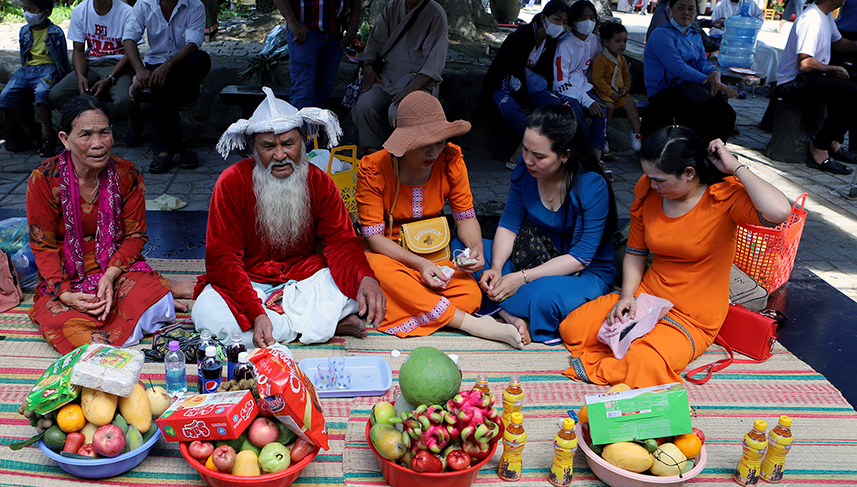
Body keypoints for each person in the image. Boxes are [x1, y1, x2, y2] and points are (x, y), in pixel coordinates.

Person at [560, 125, 791, 389]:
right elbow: (636, 252)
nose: (651, 183)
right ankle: (628, 351)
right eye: (648, 175)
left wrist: (736, 167)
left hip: (693, 316)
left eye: (659, 179)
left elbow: (780, 211)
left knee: (645, 360)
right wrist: (626, 298)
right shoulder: (648, 189)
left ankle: (631, 356)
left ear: (689, 173)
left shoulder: (724, 196)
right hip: (647, 297)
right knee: (574, 327)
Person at [192, 88, 385, 349]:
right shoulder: (231, 183)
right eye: (268, 146)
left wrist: (364, 278)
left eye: (289, 143)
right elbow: (223, 259)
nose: (280, 155)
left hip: (304, 281)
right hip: (249, 282)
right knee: (207, 312)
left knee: (360, 288)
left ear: (303, 140)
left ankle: (291, 327)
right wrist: (255, 312)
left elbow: (341, 243)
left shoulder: (320, 183)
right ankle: (322, 326)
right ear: (252, 146)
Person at [356, 91, 524, 349]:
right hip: (390, 259)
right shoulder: (374, 168)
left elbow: (465, 216)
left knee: (470, 297)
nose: (434, 151)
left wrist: (475, 249)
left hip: (434, 253)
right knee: (371, 264)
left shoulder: (451, 160)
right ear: (404, 141)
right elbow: (374, 238)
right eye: (425, 143)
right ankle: (472, 325)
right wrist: (418, 264)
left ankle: (420, 305)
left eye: (440, 141)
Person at [26, 96, 190, 354]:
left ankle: (154, 296)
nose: (98, 144)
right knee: (67, 327)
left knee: (154, 298)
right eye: (86, 135)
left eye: (104, 133)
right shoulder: (44, 180)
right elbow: (42, 245)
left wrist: (110, 276)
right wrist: (65, 294)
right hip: (66, 274)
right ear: (64, 139)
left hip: (115, 267)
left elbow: (135, 235)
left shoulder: (128, 174)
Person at [476, 104, 617, 346]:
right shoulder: (524, 170)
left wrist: (520, 278)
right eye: (525, 149)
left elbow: (580, 258)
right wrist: (497, 268)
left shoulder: (590, 186)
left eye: (539, 156)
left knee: (545, 300)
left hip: (579, 273)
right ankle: (510, 315)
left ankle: (495, 305)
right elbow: (509, 223)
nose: (528, 160)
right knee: (468, 255)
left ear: (565, 154)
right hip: (533, 258)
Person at [124, 0, 211, 174]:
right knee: (163, 89)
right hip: (154, 69)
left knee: (201, 59)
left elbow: (193, 44)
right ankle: (174, 149)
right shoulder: (144, 4)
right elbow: (129, 38)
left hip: (181, 68)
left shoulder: (195, 7)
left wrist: (167, 66)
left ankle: (164, 151)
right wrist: (139, 70)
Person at [353, 0, 448, 155]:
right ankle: (372, 153)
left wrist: (410, 89)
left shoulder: (435, 14)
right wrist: (368, 67)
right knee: (364, 105)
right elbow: (374, 43)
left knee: (398, 112)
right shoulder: (393, 6)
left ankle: (403, 156)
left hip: (417, 82)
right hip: (388, 77)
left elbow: (434, 65)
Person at [775, 0, 857, 175]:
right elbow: (805, 63)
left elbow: (839, 44)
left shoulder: (826, 15)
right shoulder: (811, 19)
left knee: (853, 84)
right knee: (851, 93)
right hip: (793, 83)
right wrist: (832, 69)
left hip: (810, 77)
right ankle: (819, 147)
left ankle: (832, 142)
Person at [267, 0, 361, 111]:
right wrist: (292, 20)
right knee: (303, 93)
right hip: (306, 32)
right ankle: (300, 138)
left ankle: (316, 136)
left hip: (335, 33)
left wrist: (354, 20)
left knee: (325, 93)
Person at [49, 0, 137, 145]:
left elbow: (130, 53)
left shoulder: (127, 13)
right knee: (57, 94)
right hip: (91, 64)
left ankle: (135, 125)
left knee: (124, 99)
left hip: (118, 65)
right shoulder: (81, 10)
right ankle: (80, 126)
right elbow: (79, 50)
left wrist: (110, 79)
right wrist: (81, 76)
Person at [481, 0, 569, 166]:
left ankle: (525, 149)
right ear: (544, 17)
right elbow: (513, 72)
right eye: (557, 19)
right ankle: (537, 145)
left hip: (532, 87)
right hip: (504, 83)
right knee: (510, 108)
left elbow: (547, 74)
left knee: (556, 106)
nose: (561, 25)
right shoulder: (521, 36)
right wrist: (525, 103)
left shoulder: (551, 41)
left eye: (564, 22)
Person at [644, 0, 738, 143]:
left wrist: (714, 73)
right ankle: (699, 154)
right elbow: (679, 69)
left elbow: (702, 62)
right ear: (670, 10)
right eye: (681, 8)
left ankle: (715, 153)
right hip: (665, 90)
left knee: (727, 113)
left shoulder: (694, 35)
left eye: (691, 9)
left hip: (690, 87)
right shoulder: (661, 34)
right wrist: (714, 83)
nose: (686, 12)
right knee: (705, 114)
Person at [0, 0, 69, 156]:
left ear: (45, 13)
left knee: (42, 92)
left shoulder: (55, 33)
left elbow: (62, 58)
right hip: (27, 70)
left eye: (31, 10)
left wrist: (63, 77)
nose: (27, 14)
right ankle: (29, 132)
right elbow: (25, 56)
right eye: (24, 9)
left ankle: (48, 134)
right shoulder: (24, 31)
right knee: (6, 95)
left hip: (48, 69)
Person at [552, 0, 609, 169]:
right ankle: (580, 154)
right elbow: (559, 82)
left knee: (602, 110)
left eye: (592, 17)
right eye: (583, 17)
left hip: (585, 88)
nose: (588, 22)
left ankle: (596, 157)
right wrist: (587, 101)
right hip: (565, 91)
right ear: (574, 20)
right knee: (575, 111)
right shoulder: (564, 44)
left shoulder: (595, 41)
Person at [709, 0, 781, 92]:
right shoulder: (721, 5)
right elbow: (714, 29)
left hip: (748, 41)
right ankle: (741, 84)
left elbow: (759, 16)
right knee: (739, 54)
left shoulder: (748, 1)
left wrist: (751, 28)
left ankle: (772, 86)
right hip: (729, 43)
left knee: (771, 53)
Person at [591, 22, 642, 151]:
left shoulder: (622, 59)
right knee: (609, 107)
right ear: (606, 42)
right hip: (603, 91)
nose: (622, 45)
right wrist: (609, 92)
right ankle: (604, 135)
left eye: (624, 41)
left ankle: (636, 134)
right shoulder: (601, 59)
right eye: (618, 41)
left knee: (631, 104)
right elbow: (597, 79)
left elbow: (626, 75)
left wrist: (625, 87)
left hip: (618, 92)